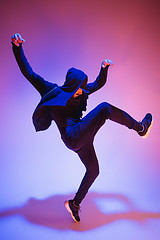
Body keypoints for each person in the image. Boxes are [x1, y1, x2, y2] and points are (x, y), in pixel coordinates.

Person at [11, 33, 153, 223]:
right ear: (71, 84)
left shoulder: (82, 91)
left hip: (82, 137)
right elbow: (29, 73)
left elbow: (99, 84)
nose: (82, 90)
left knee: (93, 170)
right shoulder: (51, 90)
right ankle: (140, 128)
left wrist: (103, 69)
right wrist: (17, 48)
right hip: (72, 136)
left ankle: (74, 204)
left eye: (83, 86)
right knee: (105, 108)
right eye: (79, 86)